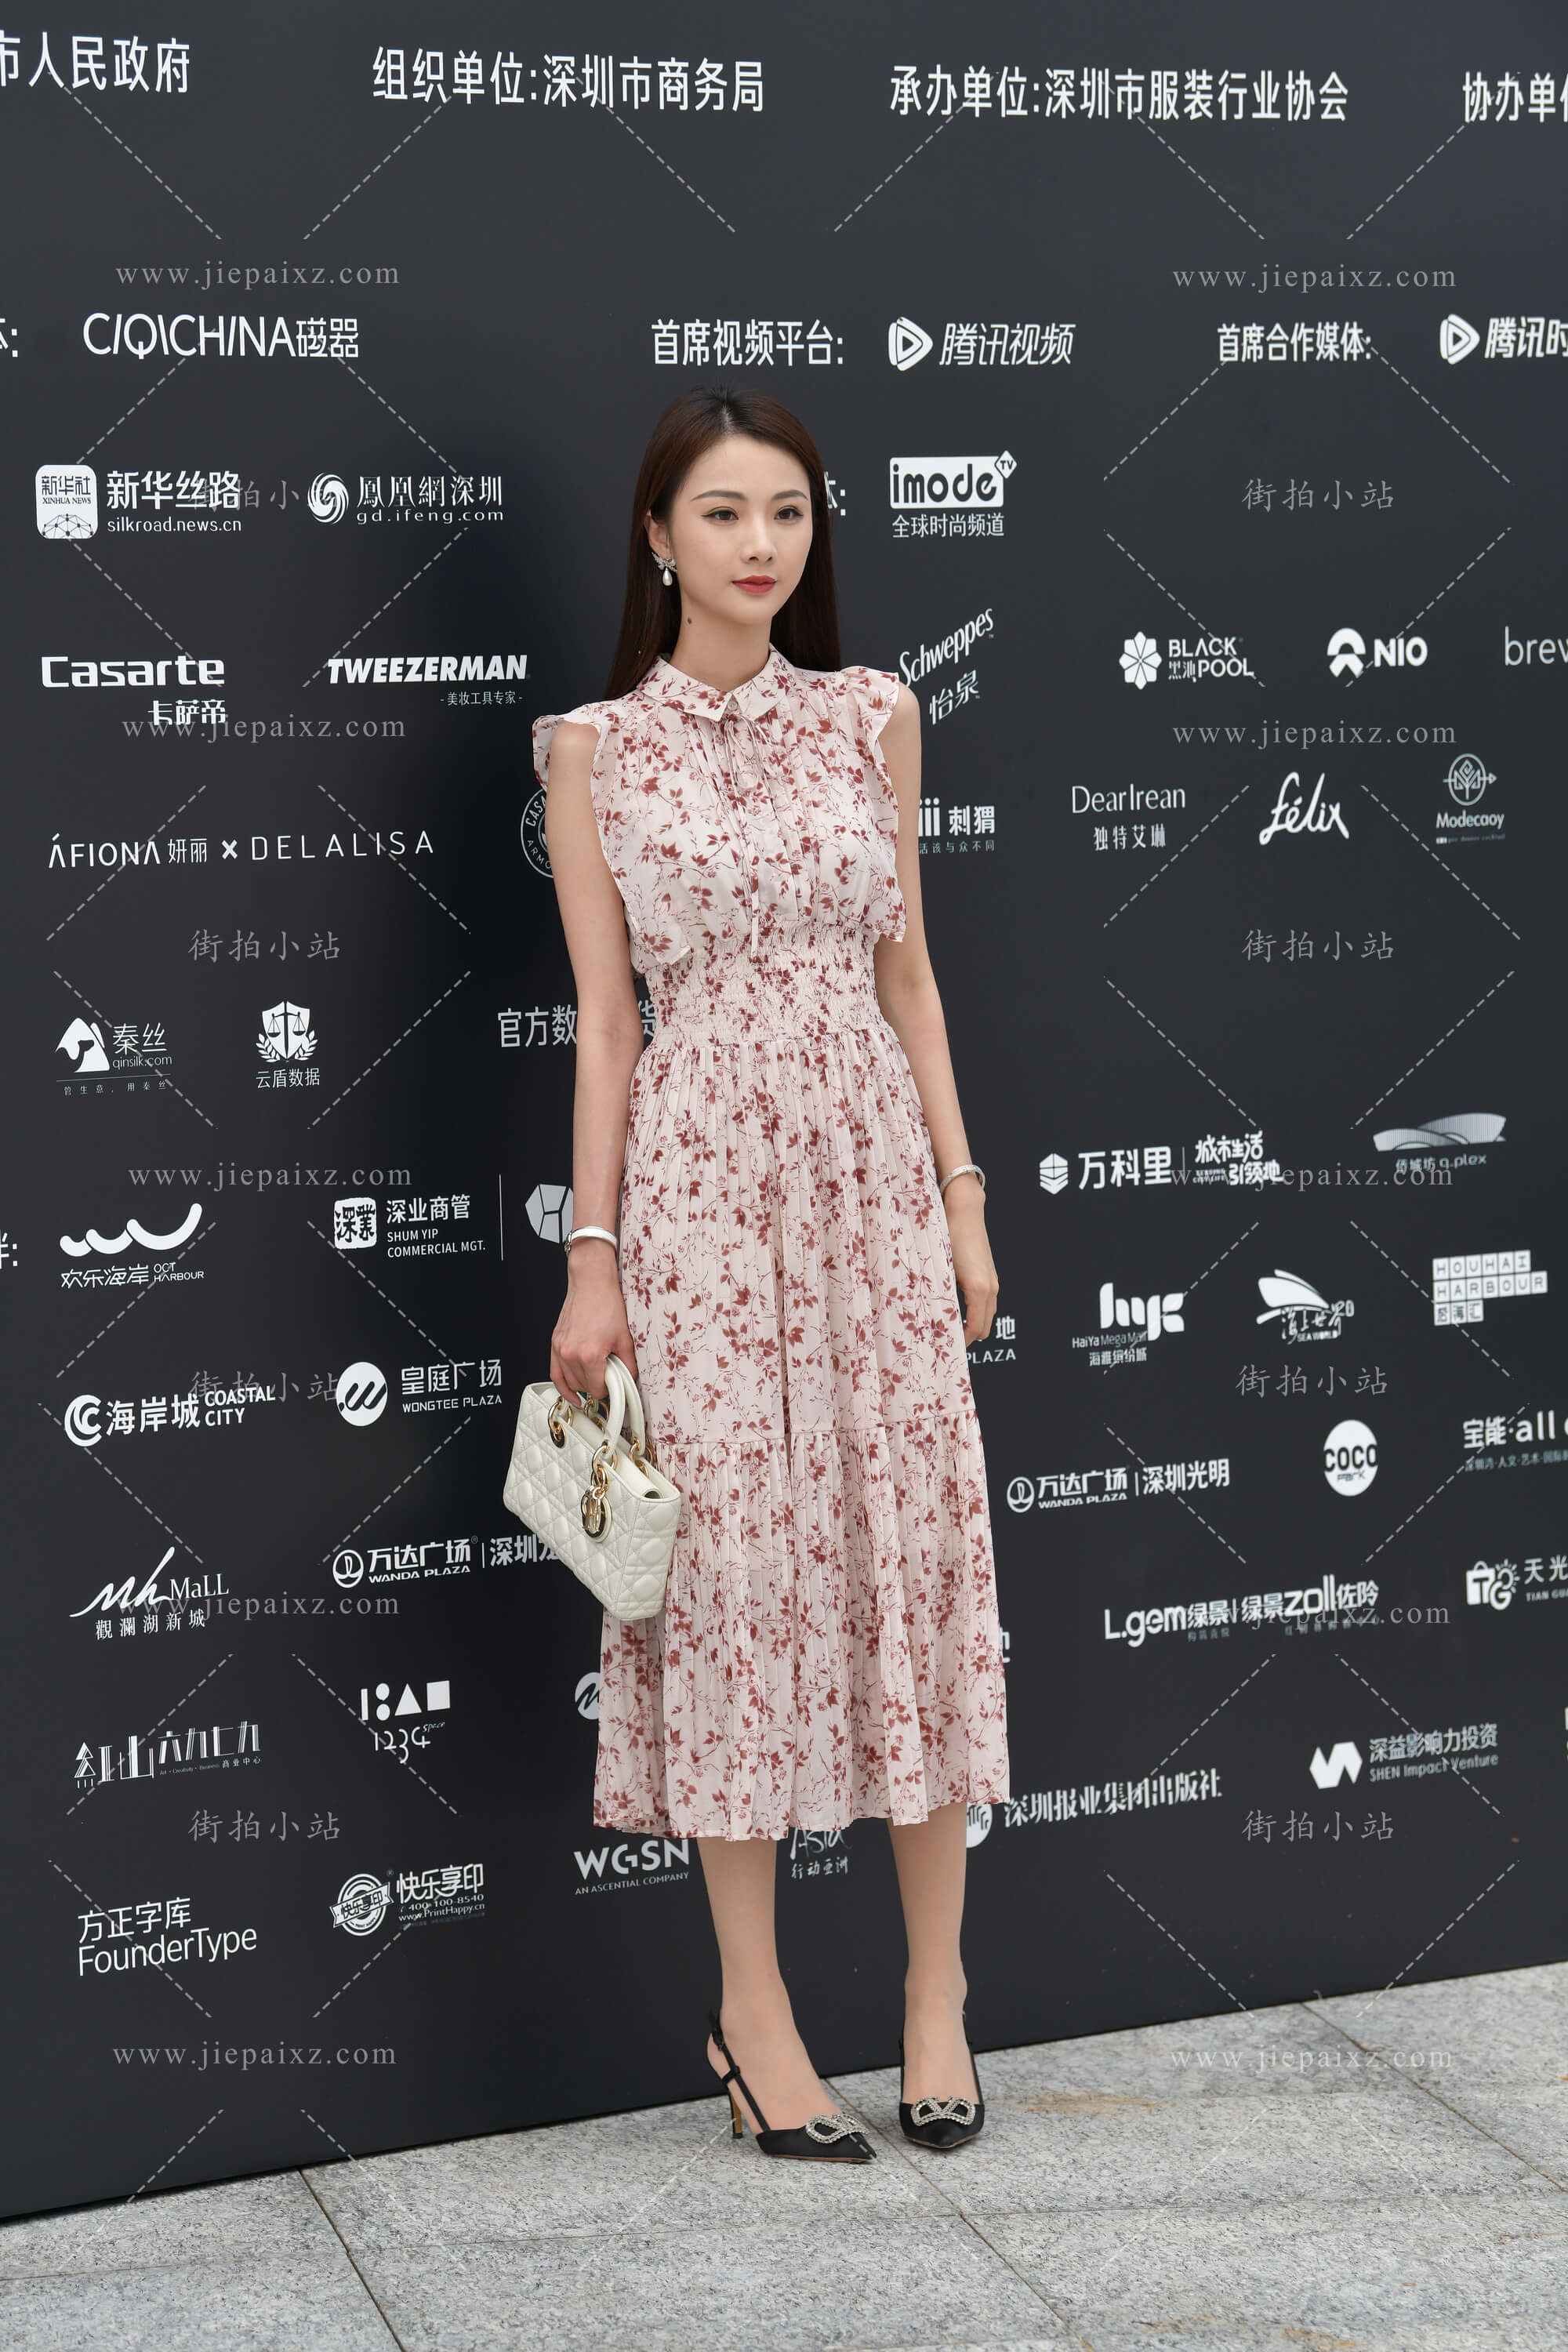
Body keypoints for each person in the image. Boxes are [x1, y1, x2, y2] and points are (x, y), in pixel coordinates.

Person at [532, 385, 1008, 2164]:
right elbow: (606, 1026)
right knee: (727, 1590)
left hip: (874, 1183)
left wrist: (963, 1201)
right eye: (723, 514)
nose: (759, 545)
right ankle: (755, 2017)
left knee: (911, 1558)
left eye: (788, 513)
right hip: (702, 1200)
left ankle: (937, 1995)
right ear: (658, 538)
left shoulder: (874, 714)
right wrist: (592, 1265)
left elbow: (912, 978)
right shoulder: (596, 752)